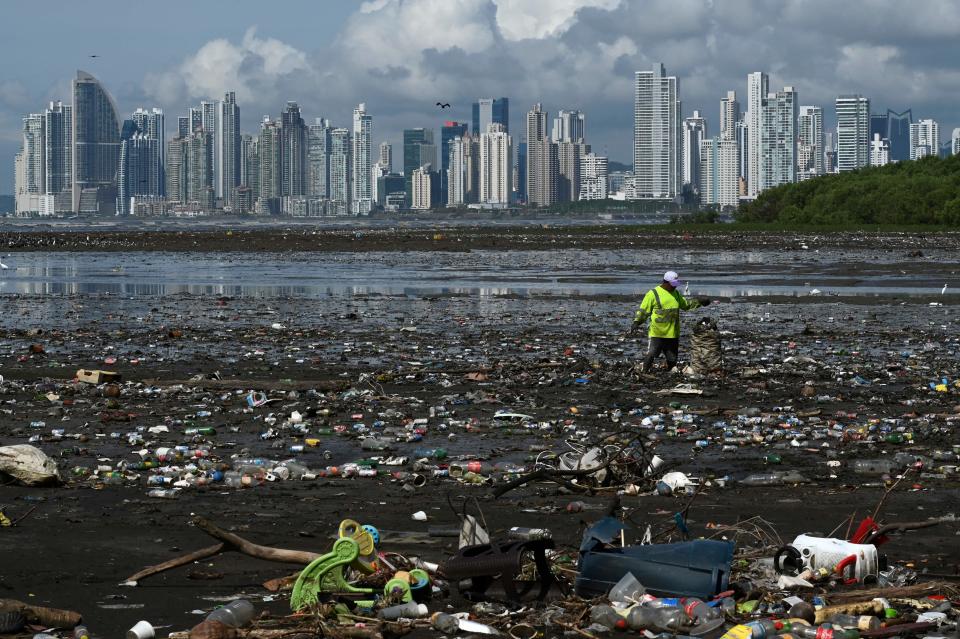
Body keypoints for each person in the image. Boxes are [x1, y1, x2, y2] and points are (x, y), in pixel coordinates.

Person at [630, 270, 711, 373]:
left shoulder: (675, 293)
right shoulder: (653, 294)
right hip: (657, 333)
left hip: (672, 333)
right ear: (665, 282)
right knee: (651, 354)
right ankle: (644, 372)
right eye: (673, 284)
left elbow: (685, 305)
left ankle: (671, 374)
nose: (675, 287)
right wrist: (637, 322)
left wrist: (699, 302)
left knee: (672, 359)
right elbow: (644, 311)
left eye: (676, 284)